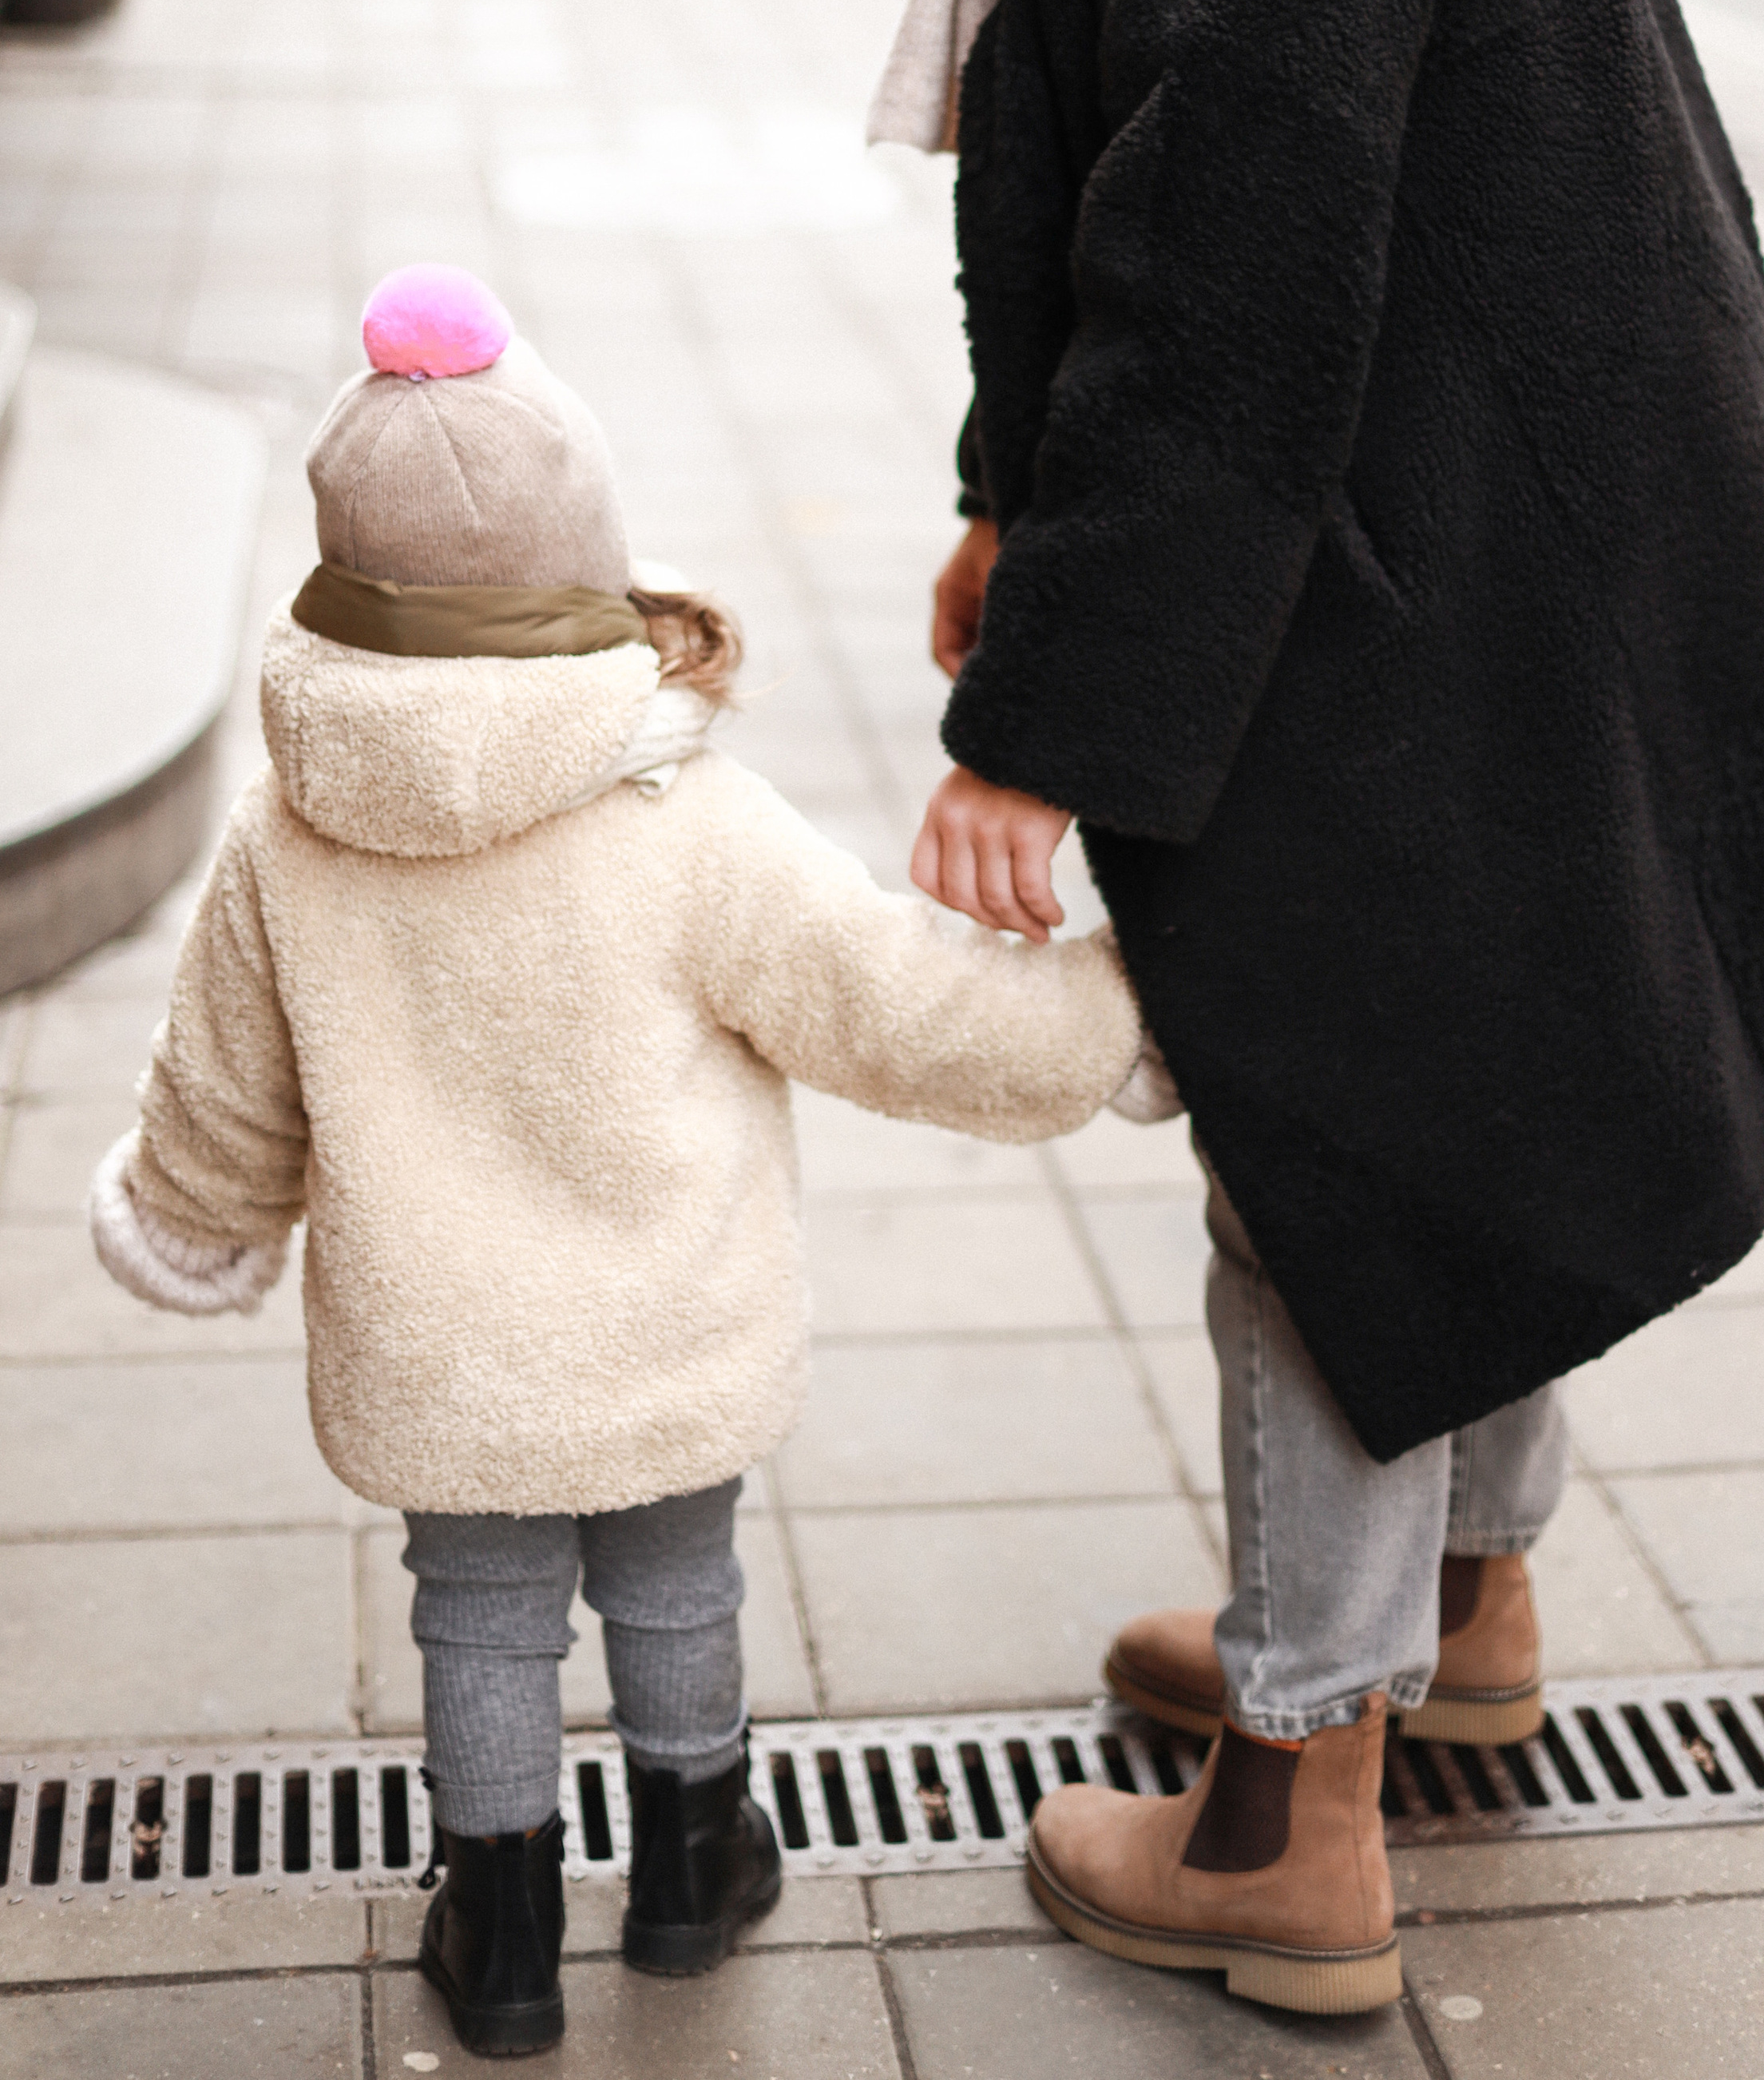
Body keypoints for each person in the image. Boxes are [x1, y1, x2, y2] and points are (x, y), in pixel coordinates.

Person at [718, 0, 1764, 2022]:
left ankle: (1288, 1807)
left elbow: (1220, 278)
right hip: (1493, 487)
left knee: (1327, 1110)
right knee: (1489, 1060)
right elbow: (1118, 192)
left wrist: (1045, 728)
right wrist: (1020, 499)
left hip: (1446, 517)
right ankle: (1448, 1638)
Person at [89, 261, 1143, 2062]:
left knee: (479, 1611)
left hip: (443, 1353)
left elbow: (226, 1087)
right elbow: (891, 1004)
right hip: (667, 1329)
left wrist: (187, 1223)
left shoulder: (290, 834)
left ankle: (496, 1934)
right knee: (675, 1584)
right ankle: (686, 1864)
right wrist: (1115, 1020)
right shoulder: (683, 814)